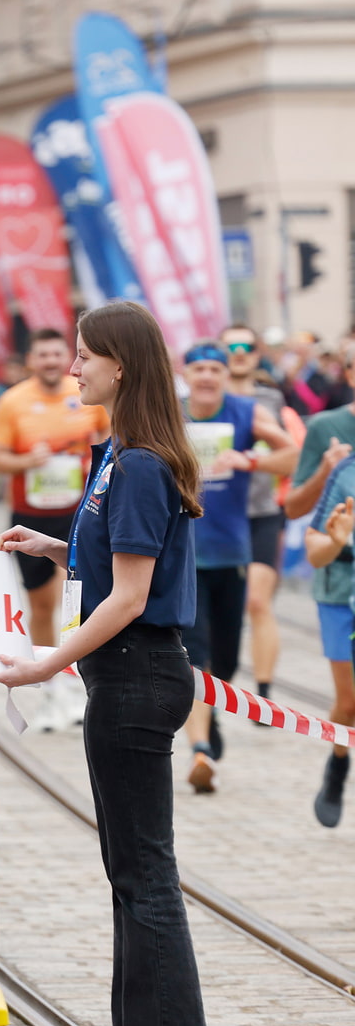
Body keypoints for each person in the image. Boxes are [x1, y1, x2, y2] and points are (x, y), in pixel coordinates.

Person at [0, 299, 210, 1026]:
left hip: (137, 673)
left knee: (144, 870)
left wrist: (46, 664)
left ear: (122, 364)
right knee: (128, 870)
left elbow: (129, 597)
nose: (73, 367)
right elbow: (113, 560)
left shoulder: (142, 462)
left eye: (85, 355)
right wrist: (55, 547)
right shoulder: (116, 453)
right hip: (121, 674)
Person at [178, 341, 295, 792]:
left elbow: (291, 454)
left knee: (224, 659)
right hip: (184, 553)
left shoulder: (246, 412)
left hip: (231, 551)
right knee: (194, 654)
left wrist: (250, 459)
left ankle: (208, 719)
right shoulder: (171, 412)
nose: (207, 376)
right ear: (186, 374)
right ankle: (199, 751)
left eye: (215, 369)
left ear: (226, 375)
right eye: (199, 369)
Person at [0, 328, 110, 730]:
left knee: (80, 599)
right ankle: (52, 685)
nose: (52, 362)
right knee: (41, 605)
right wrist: (28, 461)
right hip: (32, 514)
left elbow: (108, 442)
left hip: (79, 510)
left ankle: (78, 682)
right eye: (43, 355)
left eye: (58, 354)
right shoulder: (13, 401)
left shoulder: (87, 394)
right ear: (31, 361)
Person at [220, 326, 299, 700]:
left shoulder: (270, 399)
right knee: (223, 609)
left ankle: (264, 693)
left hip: (262, 512)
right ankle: (217, 688)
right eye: (231, 346)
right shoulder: (204, 398)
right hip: (216, 516)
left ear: (257, 353)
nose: (239, 352)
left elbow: (290, 457)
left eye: (246, 346)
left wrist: (251, 460)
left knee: (257, 601)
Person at [303, 466, 355, 824]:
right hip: (339, 598)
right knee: (349, 702)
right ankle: (337, 764)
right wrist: (336, 542)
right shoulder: (346, 473)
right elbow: (314, 553)